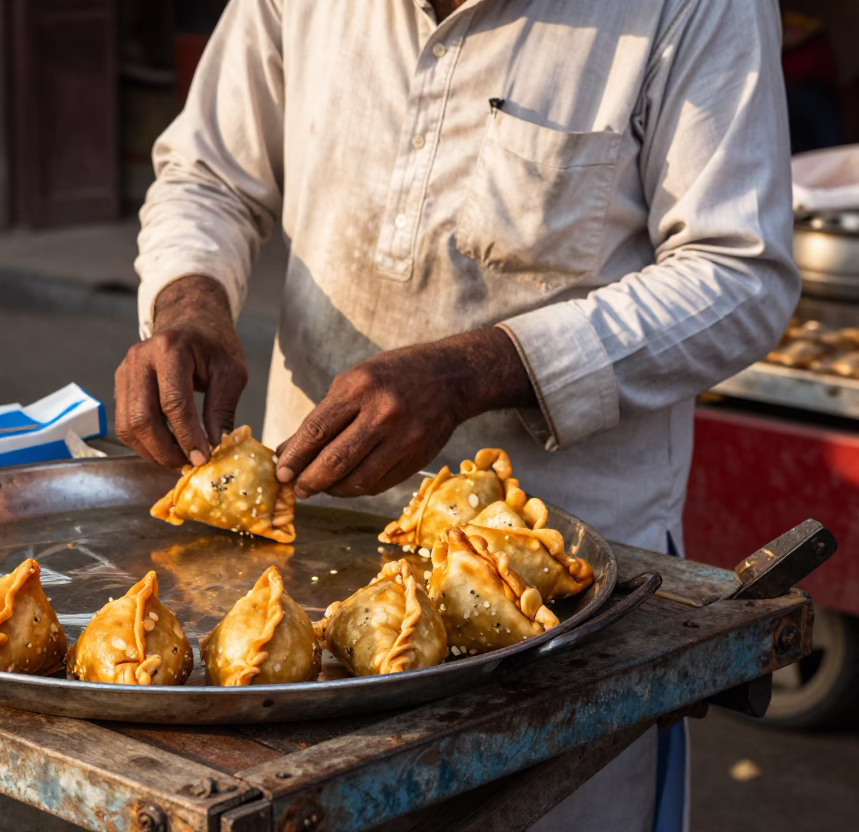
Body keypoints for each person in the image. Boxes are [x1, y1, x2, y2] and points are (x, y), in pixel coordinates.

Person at [117, 1, 798, 829]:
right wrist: (188, 302)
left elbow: (738, 276)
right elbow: (209, 172)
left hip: (565, 613)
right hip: (295, 575)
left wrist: (481, 368)